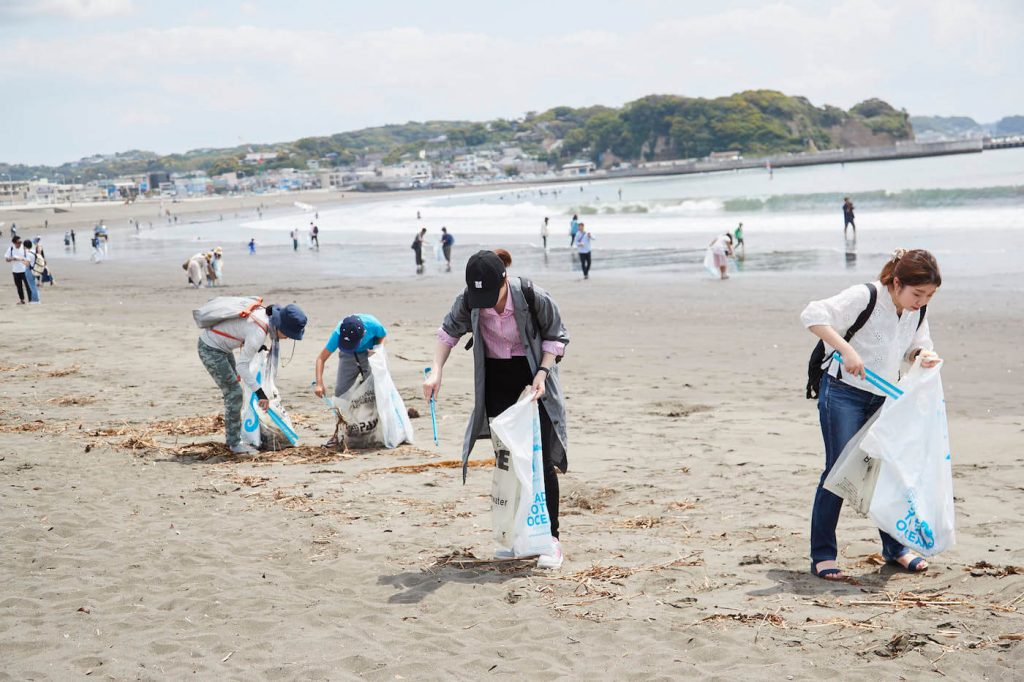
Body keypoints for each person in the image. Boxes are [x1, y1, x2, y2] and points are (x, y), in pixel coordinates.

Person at [801, 249, 942, 581]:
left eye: (929, 296)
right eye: (917, 293)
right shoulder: (865, 295)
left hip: (884, 398)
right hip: (843, 394)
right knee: (839, 471)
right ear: (896, 282)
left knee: (886, 471)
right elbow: (812, 314)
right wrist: (847, 350)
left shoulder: (916, 311)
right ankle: (822, 555)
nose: (921, 301)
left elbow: (915, 346)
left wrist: (924, 355)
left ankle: (895, 549)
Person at [423, 251, 570, 569]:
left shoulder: (532, 296)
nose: (486, 304)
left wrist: (542, 375)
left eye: (491, 295)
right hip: (496, 379)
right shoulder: (470, 299)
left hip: (533, 375)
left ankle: (550, 539)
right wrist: (437, 370)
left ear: (505, 279)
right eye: (480, 298)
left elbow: (556, 338)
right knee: (509, 460)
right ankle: (517, 535)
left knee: (540, 459)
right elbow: (448, 332)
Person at [198, 302, 307, 456]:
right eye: (288, 334)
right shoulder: (258, 332)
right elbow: (242, 367)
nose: (287, 338)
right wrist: (260, 393)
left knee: (236, 388)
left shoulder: (265, 315)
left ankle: (235, 438)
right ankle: (234, 443)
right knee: (234, 393)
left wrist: (259, 348)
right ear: (280, 327)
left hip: (221, 346)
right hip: (211, 349)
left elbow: (244, 332)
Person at [313, 313, 389, 447]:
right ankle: (339, 434)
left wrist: (377, 349)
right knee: (340, 393)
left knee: (376, 390)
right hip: (348, 356)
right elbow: (321, 358)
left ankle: (382, 430)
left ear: (363, 333)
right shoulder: (338, 333)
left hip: (369, 353)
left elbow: (382, 336)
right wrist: (319, 383)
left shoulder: (373, 324)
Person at [5, 235, 30, 304]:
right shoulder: (11, 248)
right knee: (19, 287)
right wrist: (13, 258)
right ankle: (22, 300)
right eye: (19, 242)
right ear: (14, 243)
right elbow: (7, 259)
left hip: (25, 270)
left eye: (21, 242)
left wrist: (24, 260)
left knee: (28, 286)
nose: (20, 243)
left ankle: (31, 300)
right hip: (15, 271)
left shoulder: (24, 248)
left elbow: (29, 257)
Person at [21, 239, 40, 304]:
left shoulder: (28, 253)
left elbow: (27, 264)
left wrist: (22, 261)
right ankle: (37, 299)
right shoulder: (34, 251)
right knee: (34, 285)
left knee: (32, 286)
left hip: (29, 270)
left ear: (25, 246)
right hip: (35, 270)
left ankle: (35, 300)